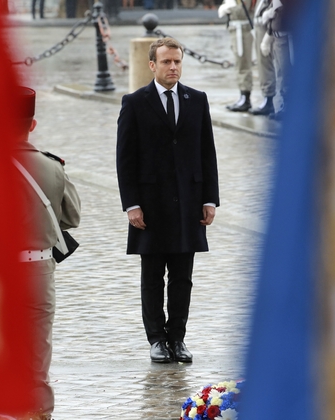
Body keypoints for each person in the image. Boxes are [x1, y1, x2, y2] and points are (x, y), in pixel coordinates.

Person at [116, 38, 220, 364]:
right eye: (166, 62)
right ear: (152, 65)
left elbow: (207, 152)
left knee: (182, 277)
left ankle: (178, 338)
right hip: (150, 205)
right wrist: (131, 204)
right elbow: (125, 158)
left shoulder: (197, 100)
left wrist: (209, 200)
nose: (173, 67)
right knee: (152, 276)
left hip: (188, 203)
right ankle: (157, 340)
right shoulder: (134, 103)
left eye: (177, 62)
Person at [13, 87, 81, 417]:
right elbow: (72, 217)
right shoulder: (52, 167)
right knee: (38, 346)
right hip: (38, 269)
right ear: (33, 125)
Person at [219, 0, 255, 112]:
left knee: (243, 65)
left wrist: (228, 8)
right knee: (240, 65)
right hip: (236, 28)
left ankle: (245, 98)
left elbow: (241, 11)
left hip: (242, 30)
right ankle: (243, 95)